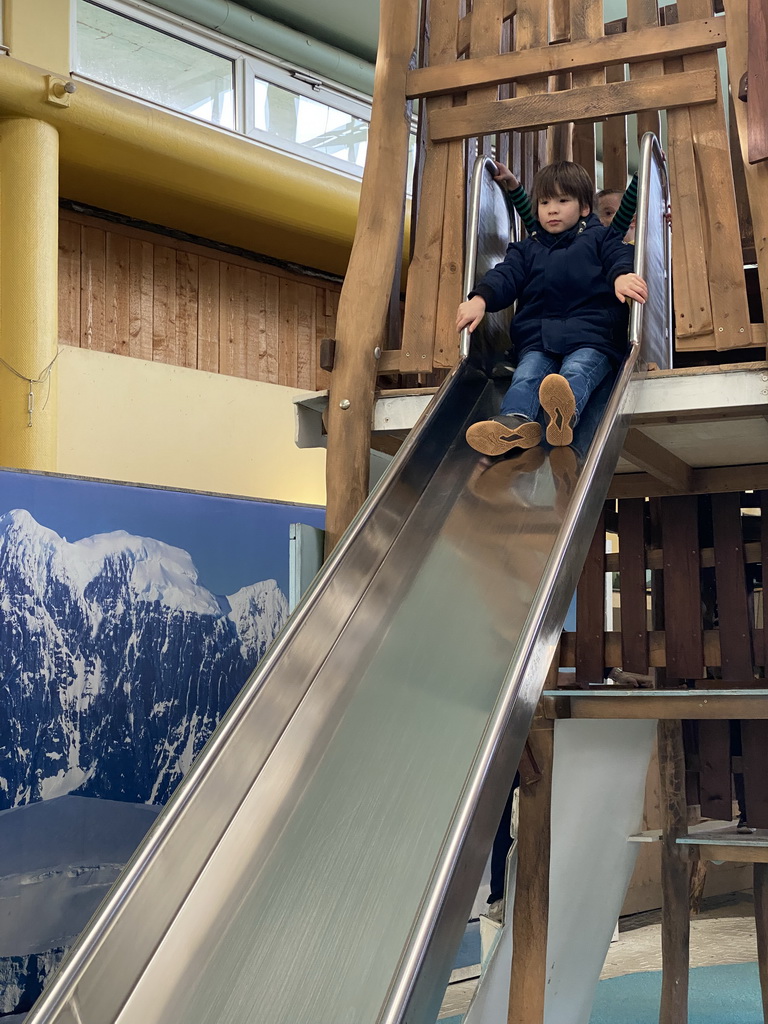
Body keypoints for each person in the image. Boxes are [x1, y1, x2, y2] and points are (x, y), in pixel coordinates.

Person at [457, 160, 647, 458]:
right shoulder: (527, 249)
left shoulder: (600, 238)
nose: (552, 209)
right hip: (538, 340)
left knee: (577, 370)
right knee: (526, 376)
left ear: (585, 208)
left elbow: (617, 256)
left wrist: (622, 276)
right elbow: (504, 275)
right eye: (545, 202)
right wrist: (480, 299)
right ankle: (515, 423)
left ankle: (563, 416)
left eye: (562, 201)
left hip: (592, 338)